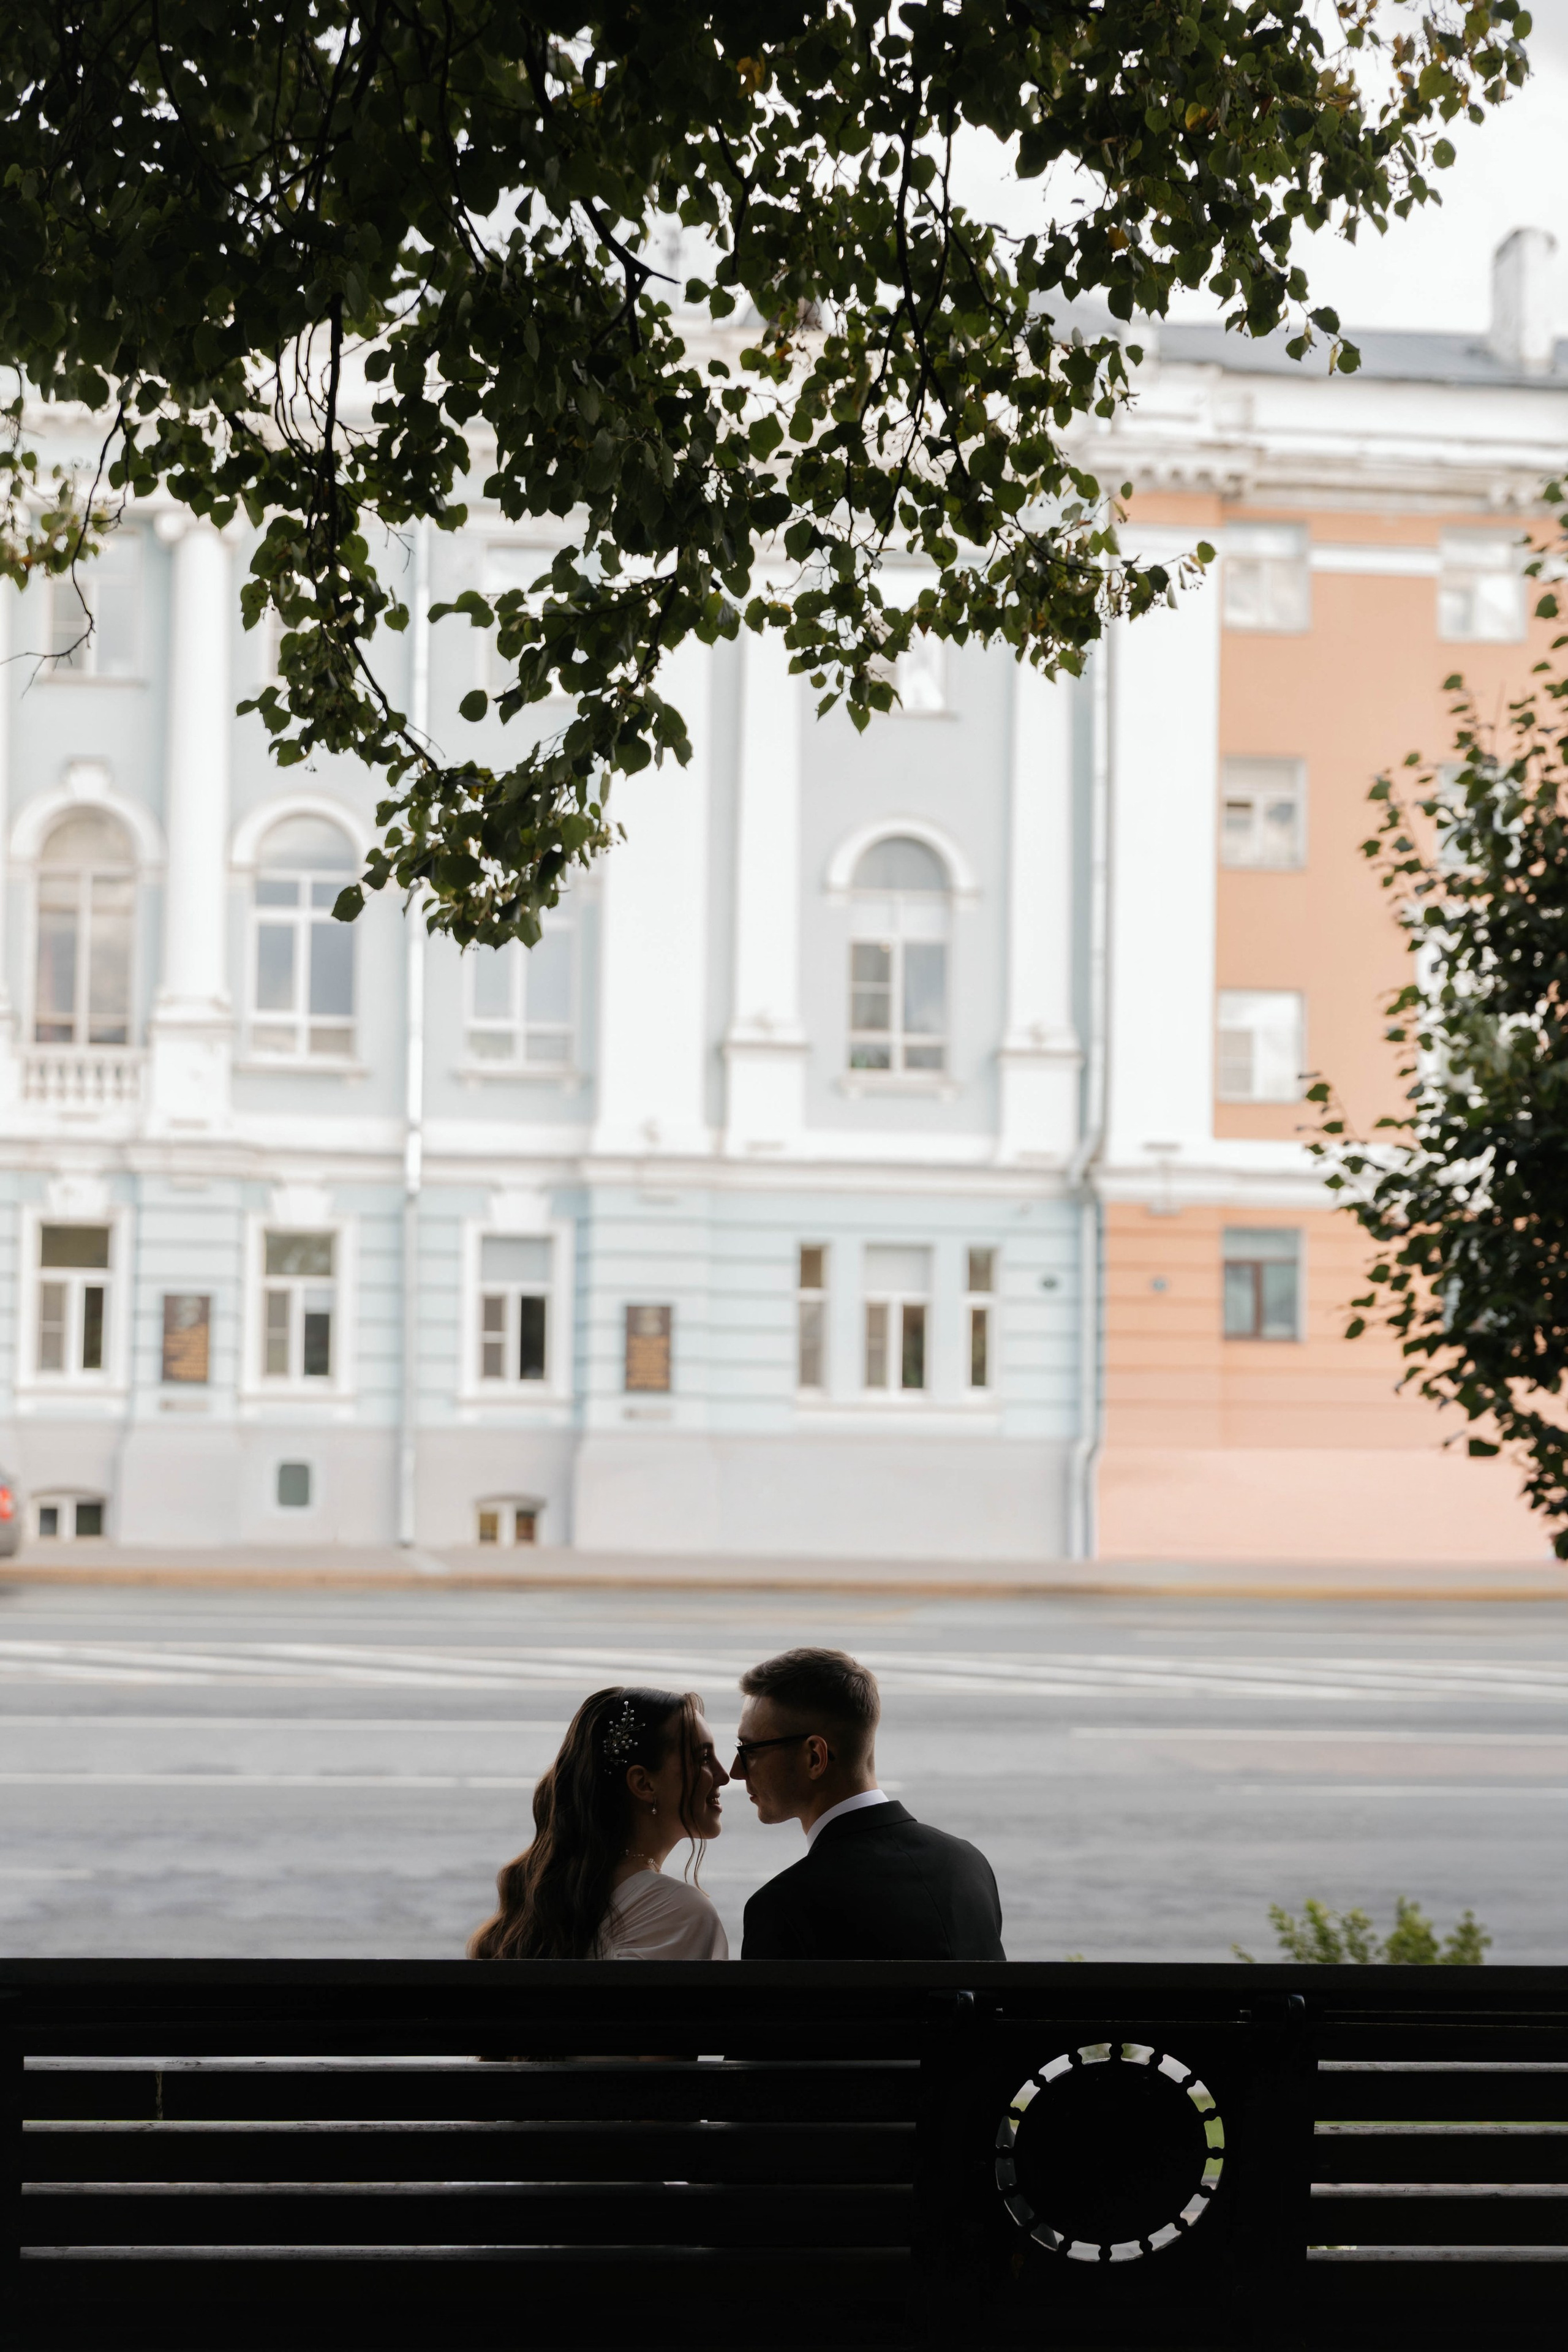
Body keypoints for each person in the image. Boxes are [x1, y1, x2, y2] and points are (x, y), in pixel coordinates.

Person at [734, 1646, 1005, 1961]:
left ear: (815, 1757)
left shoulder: (783, 1906)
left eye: (750, 1750)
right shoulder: (970, 1865)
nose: (735, 1772)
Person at [469, 1684, 730, 1959]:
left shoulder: (559, 1897)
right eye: (703, 1759)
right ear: (643, 1783)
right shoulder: (679, 1912)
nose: (724, 1775)